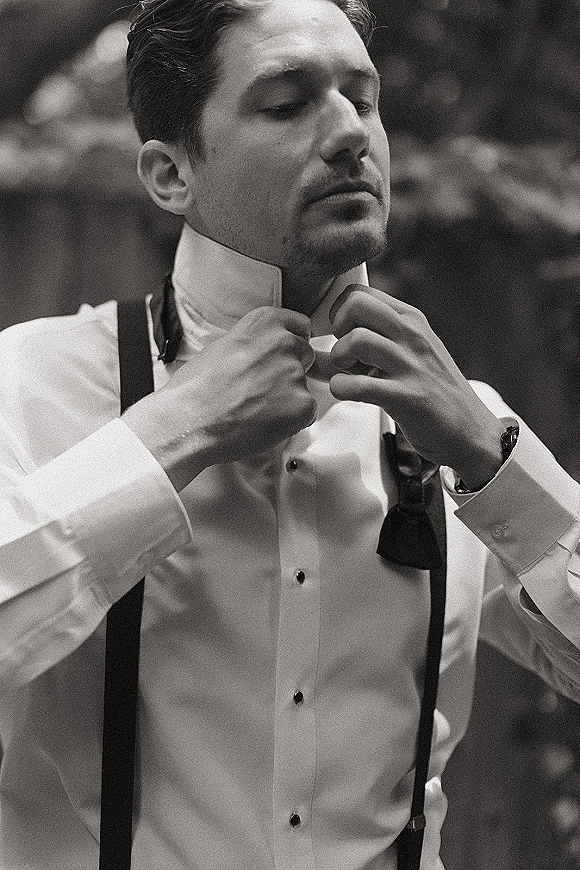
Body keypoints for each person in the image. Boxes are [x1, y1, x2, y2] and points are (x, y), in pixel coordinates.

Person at [1, 0, 580, 868]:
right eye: (287, 102)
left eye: (363, 97)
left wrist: (493, 462)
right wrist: (169, 437)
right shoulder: (30, 385)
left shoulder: (458, 429)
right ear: (169, 174)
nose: (351, 132)